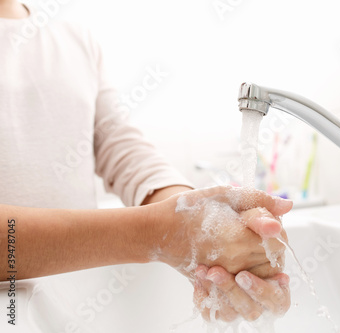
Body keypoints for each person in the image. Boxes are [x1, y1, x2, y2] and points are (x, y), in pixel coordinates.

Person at [0, 0, 291, 324]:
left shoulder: (72, 39)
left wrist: (199, 220)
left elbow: (120, 148)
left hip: (65, 308)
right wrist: (159, 233)